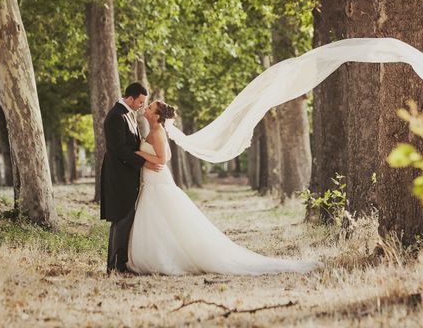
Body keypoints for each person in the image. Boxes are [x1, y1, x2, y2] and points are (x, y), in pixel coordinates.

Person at [126, 100, 318, 275]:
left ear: (157, 116)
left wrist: (138, 155)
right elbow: (164, 156)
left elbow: (162, 158)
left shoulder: (157, 132)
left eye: (150, 107)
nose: (146, 108)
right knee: (161, 221)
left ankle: (165, 259)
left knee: (164, 219)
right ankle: (161, 254)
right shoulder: (153, 131)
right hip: (153, 182)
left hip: (158, 182)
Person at [100, 82, 162, 274]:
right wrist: (145, 163)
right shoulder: (116, 116)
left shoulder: (129, 114)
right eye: (140, 102)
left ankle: (117, 264)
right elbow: (120, 150)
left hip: (127, 175)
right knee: (121, 218)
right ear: (130, 98)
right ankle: (116, 265)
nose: (142, 105)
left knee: (123, 219)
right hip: (118, 175)